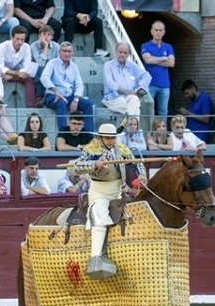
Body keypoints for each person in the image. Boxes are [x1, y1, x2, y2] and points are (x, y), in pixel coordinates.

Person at [73, 123, 147, 277]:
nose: (111, 141)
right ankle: (96, 259)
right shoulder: (91, 148)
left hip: (119, 191)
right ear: (100, 137)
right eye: (107, 138)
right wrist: (94, 164)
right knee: (99, 218)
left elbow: (136, 162)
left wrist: (141, 175)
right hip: (99, 191)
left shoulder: (122, 149)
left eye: (113, 138)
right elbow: (77, 166)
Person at [40, 41, 95, 134]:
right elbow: (44, 77)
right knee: (61, 104)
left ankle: (88, 135)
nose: (67, 54)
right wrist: (55, 90)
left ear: (72, 53)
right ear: (59, 52)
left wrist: (76, 99)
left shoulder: (74, 66)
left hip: (69, 96)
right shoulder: (52, 63)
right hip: (53, 95)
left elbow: (79, 84)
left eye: (69, 51)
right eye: (64, 51)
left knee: (87, 104)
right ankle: (64, 135)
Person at [102, 42, 151, 120]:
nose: (122, 55)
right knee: (134, 106)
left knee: (134, 99)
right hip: (113, 98)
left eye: (125, 53)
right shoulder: (108, 65)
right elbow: (110, 83)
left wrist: (139, 88)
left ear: (128, 55)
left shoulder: (132, 66)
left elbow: (147, 76)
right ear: (116, 51)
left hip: (129, 96)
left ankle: (129, 127)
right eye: (120, 52)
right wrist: (128, 92)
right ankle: (134, 129)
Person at [0, 25, 37, 108]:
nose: (20, 42)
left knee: (29, 78)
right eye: (17, 39)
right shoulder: (3, 46)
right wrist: (15, 73)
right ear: (12, 37)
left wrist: (12, 75)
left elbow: (27, 66)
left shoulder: (26, 47)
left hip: (14, 72)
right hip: (1, 73)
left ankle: (32, 106)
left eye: (22, 39)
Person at [141, 20, 175, 117]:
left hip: (165, 85)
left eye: (160, 30)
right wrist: (163, 59)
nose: (158, 32)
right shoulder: (145, 46)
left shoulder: (168, 47)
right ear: (151, 31)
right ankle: (149, 132)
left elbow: (172, 63)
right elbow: (147, 60)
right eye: (156, 30)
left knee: (163, 112)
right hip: (150, 84)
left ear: (164, 32)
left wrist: (154, 59)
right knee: (149, 111)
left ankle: (162, 132)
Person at [30, 25, 59, 106]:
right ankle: (40, 97)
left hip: (52, 70)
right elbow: (40, 63)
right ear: (39, 36)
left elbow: (58, 62)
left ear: (52, 37)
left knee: (47, 70)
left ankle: (44, 97)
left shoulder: (56, 46)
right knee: (42, 69)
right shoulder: (34, 45)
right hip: (36, 70)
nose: (46, 37)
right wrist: (45, 47)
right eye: (44, 34)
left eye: (48, 35)